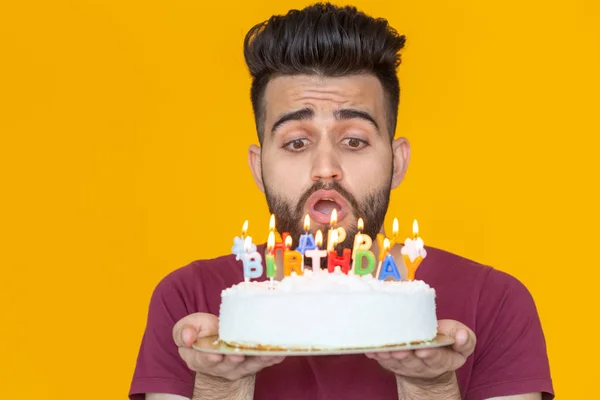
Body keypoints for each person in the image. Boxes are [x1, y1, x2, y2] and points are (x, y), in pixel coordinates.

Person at [129, 3, 553, 399]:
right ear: (258, 168)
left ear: (398, 162)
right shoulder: (190, 304)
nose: (325, 167)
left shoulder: (495, 302)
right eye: (296, 143)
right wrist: (219, 385)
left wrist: (433, 384)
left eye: (354, 140)